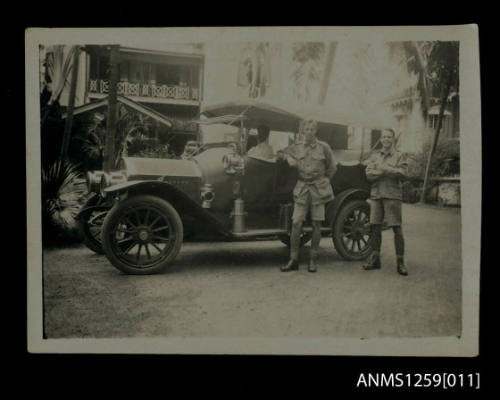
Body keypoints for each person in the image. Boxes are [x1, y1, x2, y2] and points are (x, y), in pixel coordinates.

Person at [277, 118, 337, 273]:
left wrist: (326, 180)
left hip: (318, 189)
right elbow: (280, 153)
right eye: (306, 129)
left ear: (315, 130)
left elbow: (332, 167)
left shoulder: (324, 147)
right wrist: (288, 158)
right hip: (302, 188)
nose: (308, 132)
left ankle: (313, 260)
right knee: (296, 222)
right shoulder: (297, 147)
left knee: (317, 224)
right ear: (302, 131)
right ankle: (293, 259)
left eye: (311, 129)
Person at [363, 128, 408, 276]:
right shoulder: (375, 156)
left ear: (393, 139)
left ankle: (400, 262)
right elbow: (368, 174)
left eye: (389, 137)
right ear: (381, 139)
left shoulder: (400, 156)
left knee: (396, 228)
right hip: (376, 195)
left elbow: (403, 174)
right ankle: (375, 259)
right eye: (384, 137)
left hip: (392, 195)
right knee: (375, 227)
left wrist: (385, 168)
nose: (386, 139)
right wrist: (384, 171)